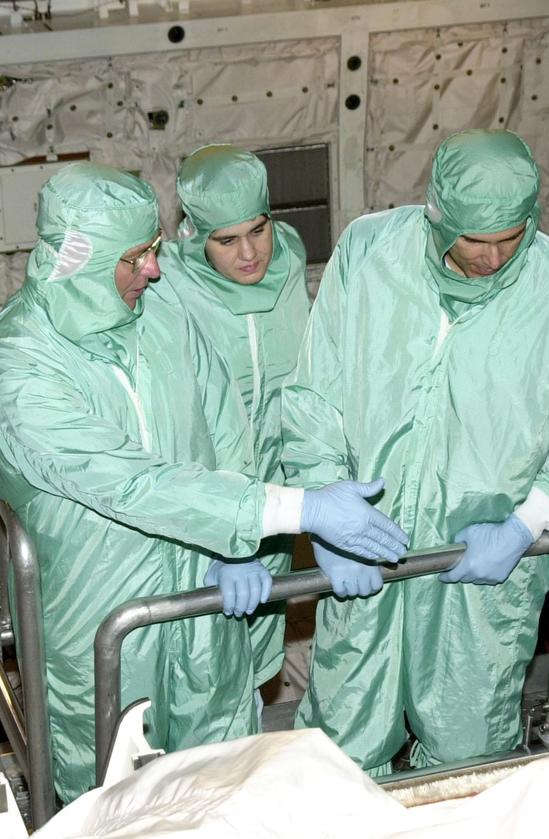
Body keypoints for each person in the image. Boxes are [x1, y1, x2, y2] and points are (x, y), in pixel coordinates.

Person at [0, 162, 408, 801]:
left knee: (222, 773)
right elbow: (132, 483)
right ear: (79, 261)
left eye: (152, 251)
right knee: (114, 793)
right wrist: (296, 509)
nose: (153, 268)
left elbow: (223, 424)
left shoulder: (157, 309)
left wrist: (237, 547)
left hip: (202, 584)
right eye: (136, 257)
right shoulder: (18, 365)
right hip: (97, 605)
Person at [283, 129, 549, 775]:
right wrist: (324, 504)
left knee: (469, 750)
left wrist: (526, 523)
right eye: (476, 239)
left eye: (510, 237)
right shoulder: (369, 252)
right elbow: (315, 397)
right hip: (369, 545)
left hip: (482, 566)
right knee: (343, 748)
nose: (493, 255)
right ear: (437, 215)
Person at [160, 145, 312, 690]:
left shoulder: (289, 256)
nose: (250, 253)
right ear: (194, 235)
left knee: (257, 663)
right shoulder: (164, 283)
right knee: (199, 673)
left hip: (276, 500)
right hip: (202, 508)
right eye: (226, 240)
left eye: (259, 228)